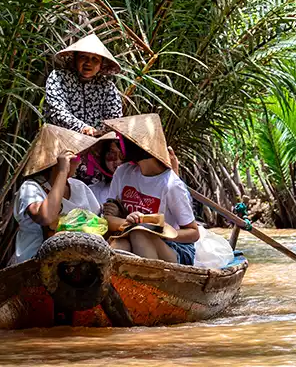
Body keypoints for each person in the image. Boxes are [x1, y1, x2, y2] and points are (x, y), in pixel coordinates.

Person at [102, 114, 199, 265]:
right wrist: (129, 222)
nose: (119, 145)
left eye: (123, 140)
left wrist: (161, 230)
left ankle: (151, 283)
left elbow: (193, 233)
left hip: (175, 248)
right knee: (121, 244)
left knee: (139, 233)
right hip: (131, 236)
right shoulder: (122, 173)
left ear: (139, 146)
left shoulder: (171, 185)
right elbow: (108, 218)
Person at [12, 125, 102, 264]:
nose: (80, 161)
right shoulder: (31, 187)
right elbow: (46, 217)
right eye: (76, 156)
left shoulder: (79, 187)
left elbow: (98, 221)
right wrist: (62, 172)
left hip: (79, 262)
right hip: (35, 263)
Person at [45, 34, 123, 136]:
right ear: (75, 59)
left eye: (95, 59)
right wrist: (83, 128)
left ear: (101, 64)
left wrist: (103, 136)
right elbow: (56, 111)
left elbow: (115, 121)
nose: (88, 63)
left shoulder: (107, 88)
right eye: (83, 57)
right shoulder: (59, 78)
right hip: (62, 140)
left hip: (96, 143)